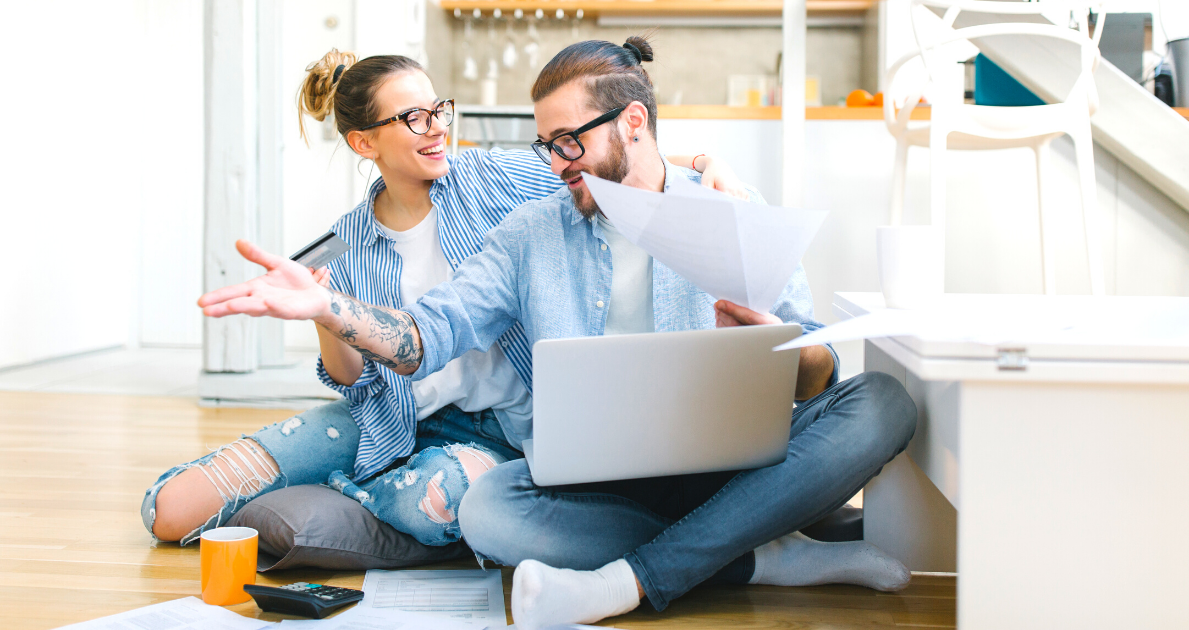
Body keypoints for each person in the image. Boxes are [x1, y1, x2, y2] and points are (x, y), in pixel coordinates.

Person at [196, 37, 918, 629]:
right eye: (547, 145)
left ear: (633, 123)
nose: (556, 162)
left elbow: (818, 368)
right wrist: (332, 312)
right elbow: (426, 336)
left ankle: (629, 580)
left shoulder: (730, 211)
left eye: (570, 141)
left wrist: (776, 344)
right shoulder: (528, 235)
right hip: (611, 487)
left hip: (737, 464)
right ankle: (761, 553)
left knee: (882, 401)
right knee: (491, 511)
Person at [142, 48, 749, 549]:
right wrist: (324, 313)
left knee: (424, 503)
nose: (436, 127)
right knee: (169, 511)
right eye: (412, 118)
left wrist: (700, 163)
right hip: (394, 418)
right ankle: (350, 488)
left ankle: (350, 498)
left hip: (502, 429)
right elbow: (352, 378)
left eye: (438, 110)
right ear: (363, 143)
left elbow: (596, 158)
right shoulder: (346, 241)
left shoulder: (493, 178)